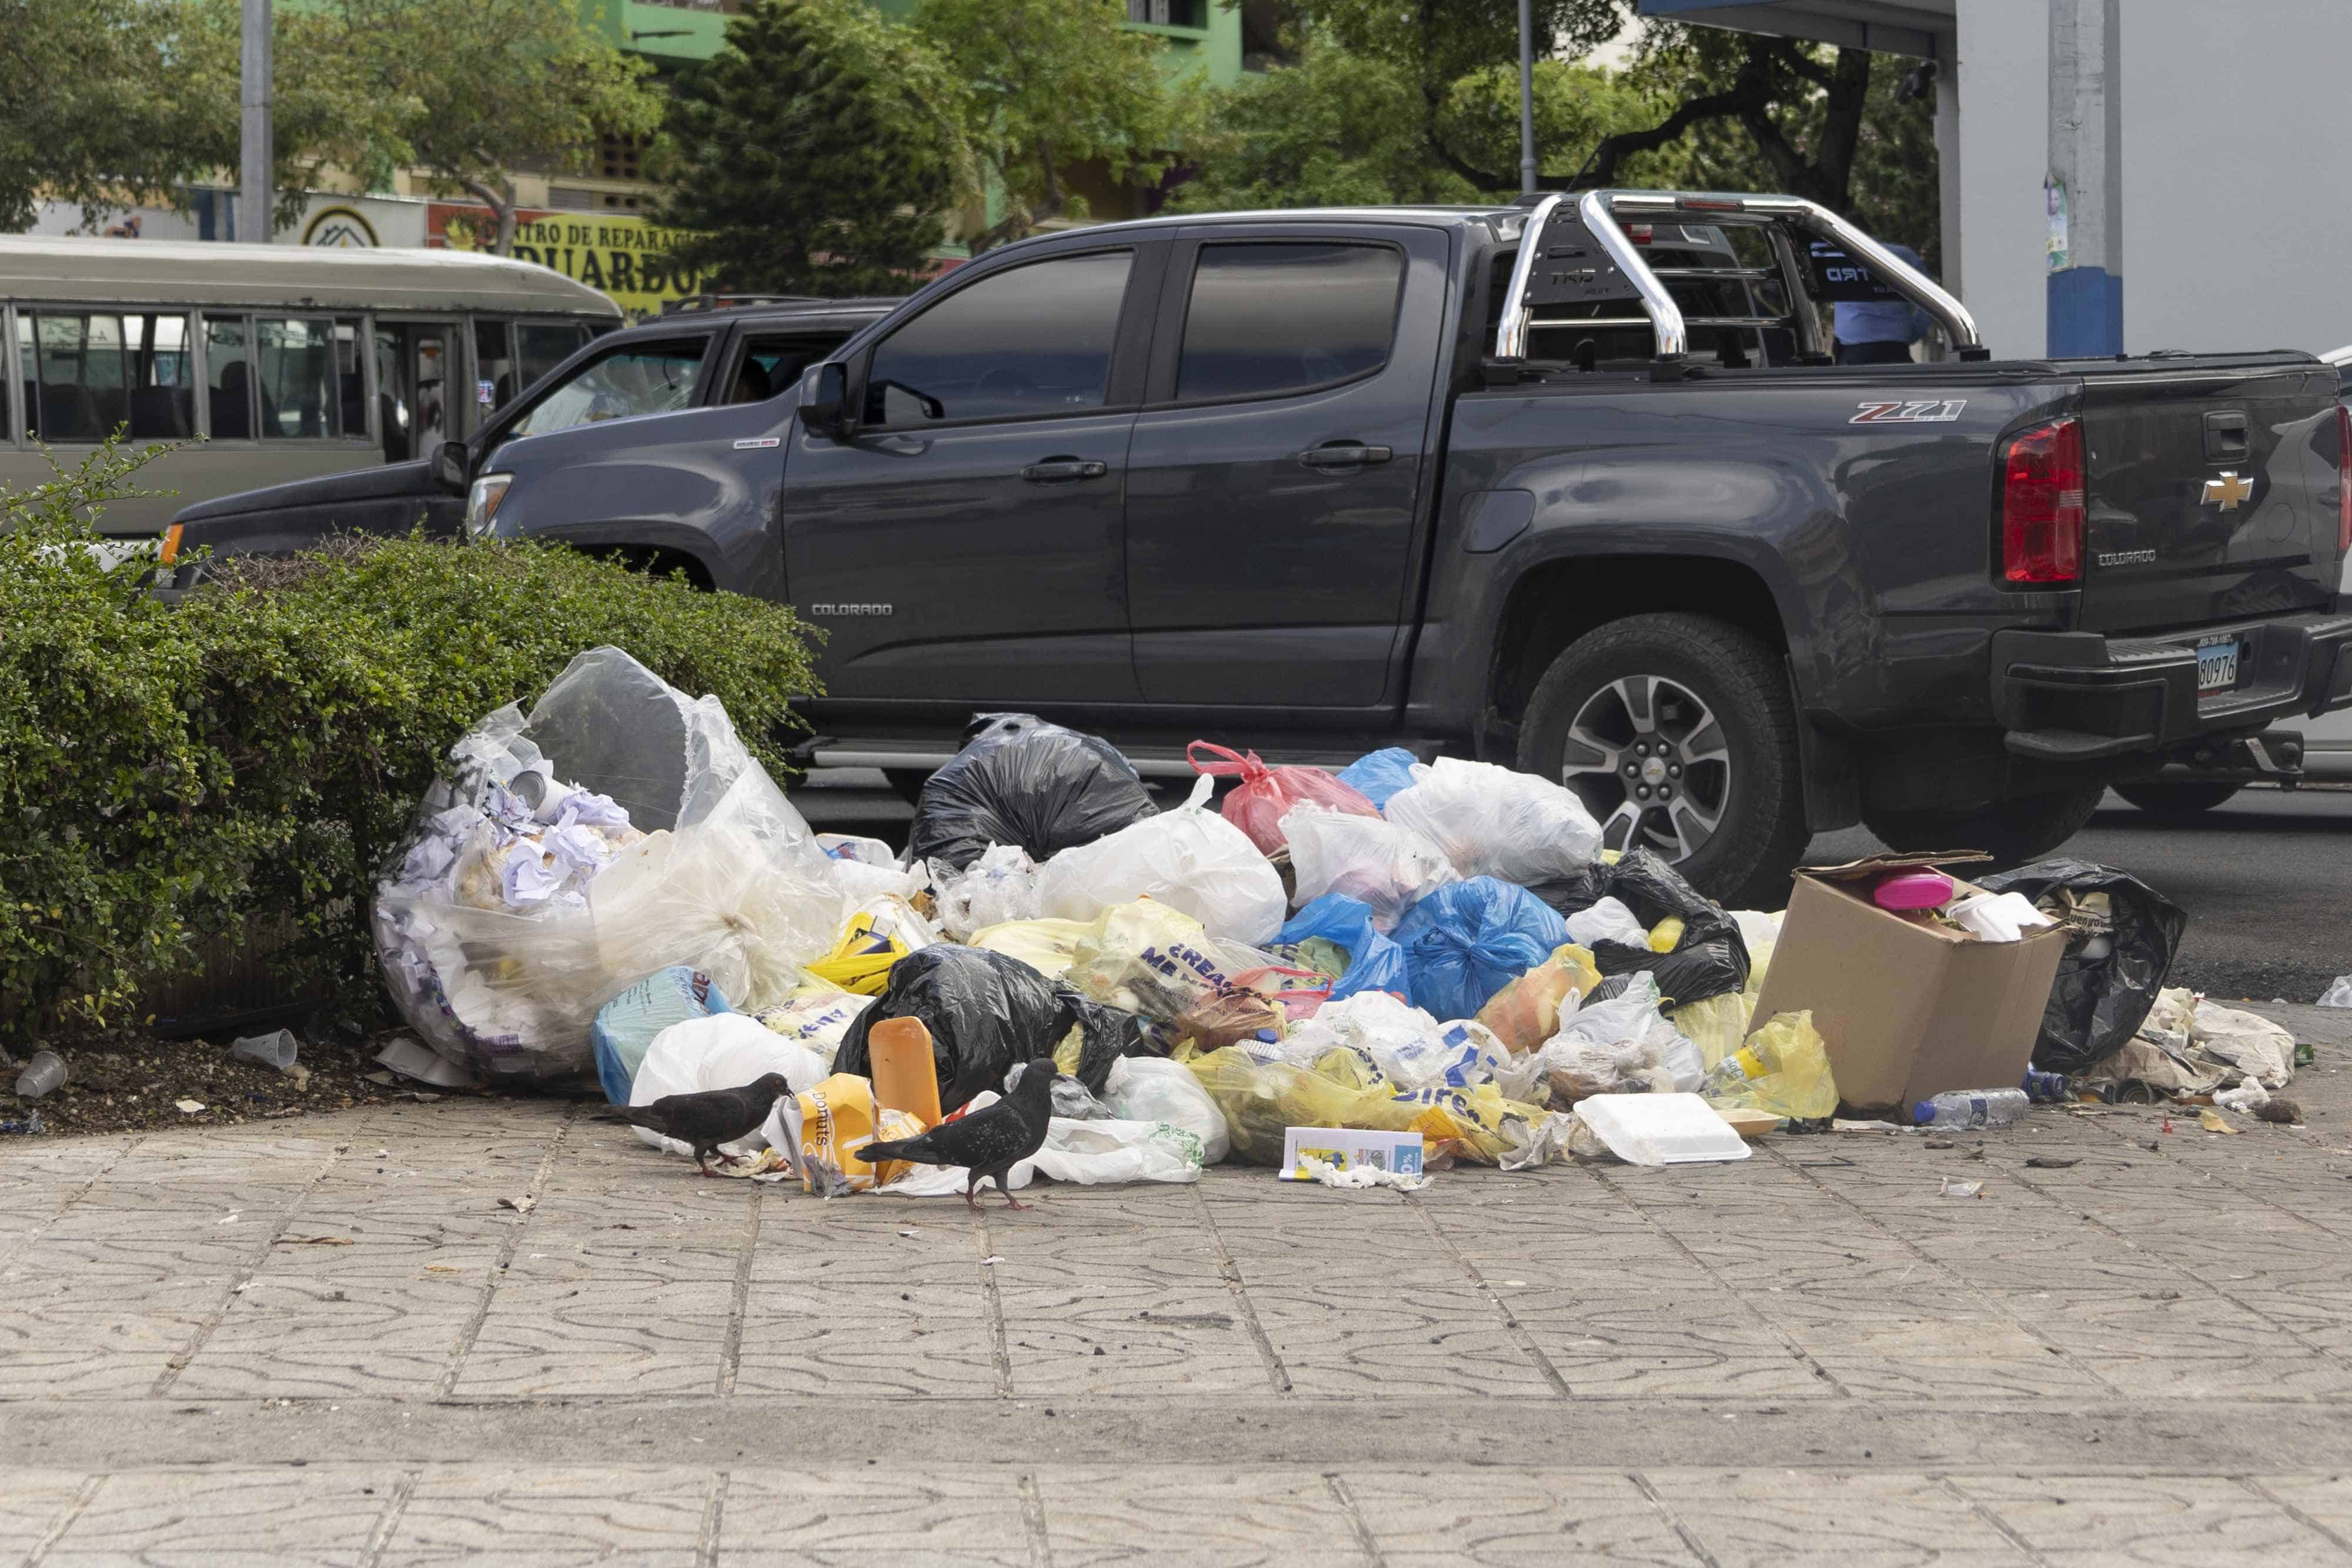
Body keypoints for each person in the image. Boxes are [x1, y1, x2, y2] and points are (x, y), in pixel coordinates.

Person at [1833, 242, 1934, 365]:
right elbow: (1931, 298)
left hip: (1853, 354)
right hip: (1897, 351)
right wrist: (1912, 332)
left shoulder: (1836, 254)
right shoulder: (1903, 255)